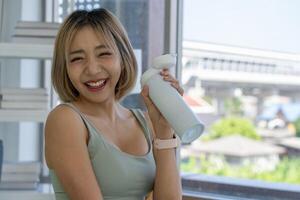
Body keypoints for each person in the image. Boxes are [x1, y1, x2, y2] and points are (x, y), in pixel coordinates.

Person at [45, 8, 183, 200]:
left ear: (123, 58)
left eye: (103, 54)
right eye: (77, 58)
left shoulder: (145, 122)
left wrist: (165, 130)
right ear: (65, 68)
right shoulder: (65, 120)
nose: (92, 69)